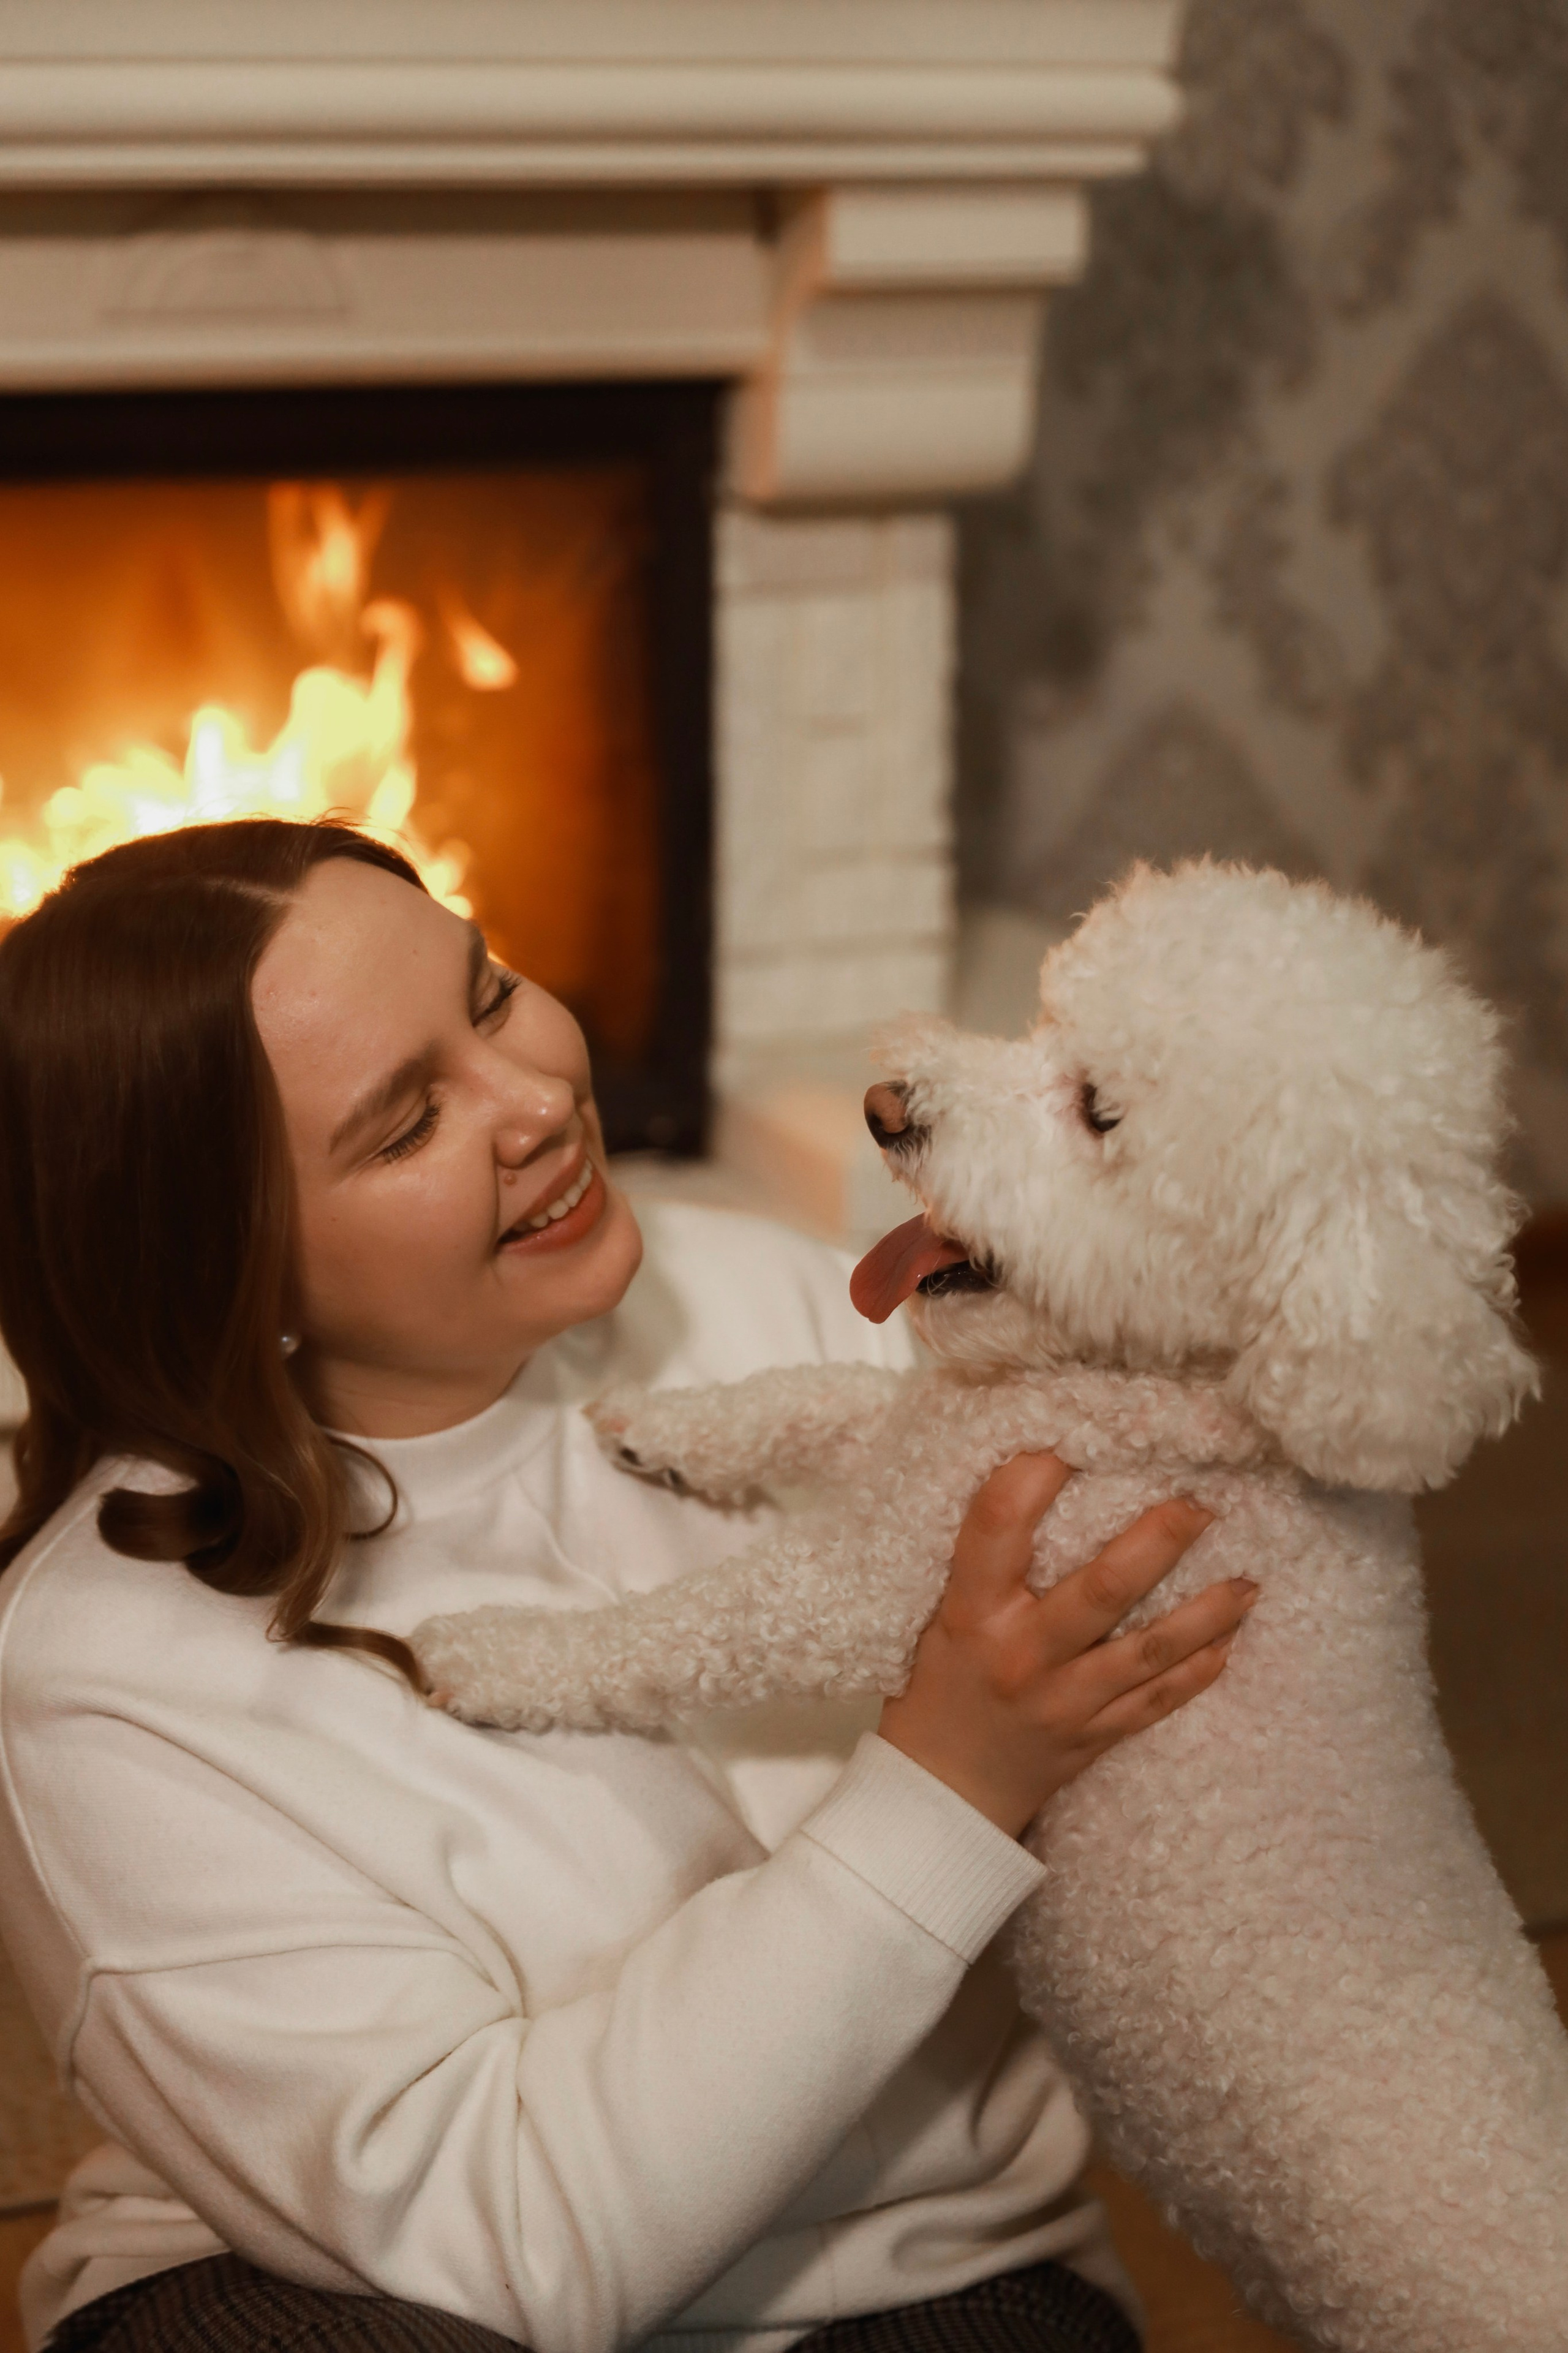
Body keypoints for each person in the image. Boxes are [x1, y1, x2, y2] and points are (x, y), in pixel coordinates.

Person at [0, 820, 1256, 2353]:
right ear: (223, 1268)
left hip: (907, 2266)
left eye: (487, 993)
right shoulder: (102, 1682)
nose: (538, 1100)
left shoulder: (790, 1301)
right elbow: (501, 2235)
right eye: (405, 1125)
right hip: (357, 2284)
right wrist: (940, 1788)